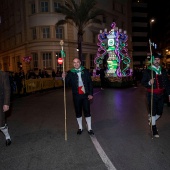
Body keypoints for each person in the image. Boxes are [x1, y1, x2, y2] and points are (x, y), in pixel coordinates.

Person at [62, 58, 94, 135]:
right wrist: (63, 78)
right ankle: (80, 127)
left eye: (77, 62)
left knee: (87, 111)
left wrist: (90, 94)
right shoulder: (71, 73)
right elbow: (67, 84)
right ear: (73, 64)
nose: (76, 64)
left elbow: (90, 83)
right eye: (74, 62)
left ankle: (89, 128)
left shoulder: (85, 71)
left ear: (80, 63)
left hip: (85, 94)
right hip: (76, 95)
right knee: (78, 111)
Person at [141, 52, 170, 138]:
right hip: (152, 94)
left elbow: (167, 83)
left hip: (161, 94)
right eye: (155, 59)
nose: (157, 61)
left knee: (160, 113)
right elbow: (143, 82)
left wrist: (169, 94)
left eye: (158, 59)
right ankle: (154, 129)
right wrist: (149, 82)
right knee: (153, 112)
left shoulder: (163, 70)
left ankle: (151, 119)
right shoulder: (148, 71)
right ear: (152, 61)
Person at [0, 64, 11, 146]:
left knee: (1, 123)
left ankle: (7, 136)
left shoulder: (3, 75)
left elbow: (7, 89)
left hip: (1, 102)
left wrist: (6, 103)